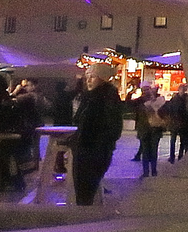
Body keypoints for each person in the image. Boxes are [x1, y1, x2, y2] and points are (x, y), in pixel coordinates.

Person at [71, 63, 124, 206]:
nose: (88, 80)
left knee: (86, 191)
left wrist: (101, 145)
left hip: (95, 150)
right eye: (87, 77)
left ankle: (84, 221)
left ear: (103, 79)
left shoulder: (107, 98)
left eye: (93, 77)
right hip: (84, 148)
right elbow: (78, 120)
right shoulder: (88, 97)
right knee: (83, 191)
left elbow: (113, 126)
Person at [134, 84, 166, 178]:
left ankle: (153, 170)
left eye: (148, 89)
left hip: (155, 129)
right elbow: (136, 113)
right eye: (145, 90)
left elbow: (164, 113)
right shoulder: (140, 101)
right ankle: (147, 171)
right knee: (146, 151)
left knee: (153, 150)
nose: (147, 92)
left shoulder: (160, 100)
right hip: (145, 129)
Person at [162, 85, 188, 163]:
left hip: (180, 123)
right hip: (177, 123)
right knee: (175, 140)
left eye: (184, 90)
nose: (183, 91)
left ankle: (178, 155)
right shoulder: (180, 100)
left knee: (181, 141)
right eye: (182, 90)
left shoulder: (183, 99)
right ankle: (174, 156)